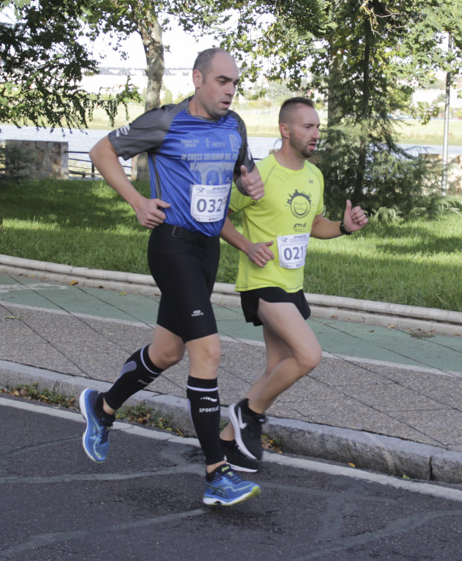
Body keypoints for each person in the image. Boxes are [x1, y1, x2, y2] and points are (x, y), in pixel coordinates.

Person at [78, 48, 266, 506]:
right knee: (209, 351)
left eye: (234, 83)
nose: (229, 90)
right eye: (222, 81)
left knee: (166, 351)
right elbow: (101, 151)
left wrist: (249, 184)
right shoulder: (164, 121)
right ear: (198, 79)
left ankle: (102, 408)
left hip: (207, 251)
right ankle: (217, 474)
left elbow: (242, 174)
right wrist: (137, 201)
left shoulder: (235, 125)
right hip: (172, 245)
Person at [217, 97, 368, 472]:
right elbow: (218, 217)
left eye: (318, 127)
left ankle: (222, 444)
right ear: (285, 130)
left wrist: (344, 227)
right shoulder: (259, 174)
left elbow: (314, 225)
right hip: (262, 282)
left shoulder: (313, 176)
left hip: (292, 284)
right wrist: (247, 246)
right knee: (307, 356)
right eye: (307, 127)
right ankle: (247, 413)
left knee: (277, 368)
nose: (316, 134)